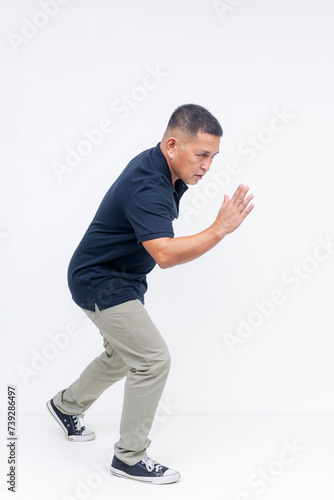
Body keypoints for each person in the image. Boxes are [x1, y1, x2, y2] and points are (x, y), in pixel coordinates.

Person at [46, 103, 254, 485]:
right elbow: (165, 254)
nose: (208, 165)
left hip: (122, 277)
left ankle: (65, 405)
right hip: (99, 279)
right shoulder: (149, 184)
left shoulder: (166, 169)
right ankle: (129, 456)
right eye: (202, 154)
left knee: (122, 356)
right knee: (152, 359)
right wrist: (219, 229)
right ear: (172, 145)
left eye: (213, 156)